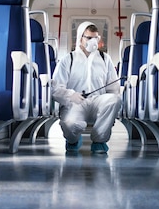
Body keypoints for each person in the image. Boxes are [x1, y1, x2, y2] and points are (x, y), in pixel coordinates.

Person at [51, 21, 122, 154]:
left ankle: (99, 140)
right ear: (80, 38)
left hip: (97, 101)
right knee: (70, 124)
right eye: (89, 38)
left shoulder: (104, 58)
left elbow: (113, 88)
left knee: (114, 100)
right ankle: (73, 140)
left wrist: (112, 109)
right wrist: (70, 95)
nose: (93, 41)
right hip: (75, 104)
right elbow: (55, 88)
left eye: (95, 38)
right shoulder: (68, 59)